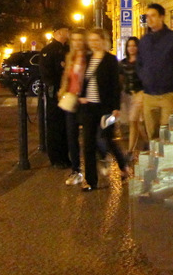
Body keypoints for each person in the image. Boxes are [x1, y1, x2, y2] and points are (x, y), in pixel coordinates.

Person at [77, 28, 131, 190]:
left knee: (108, 138)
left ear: (103, 41)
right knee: (88, 143)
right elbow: (81, 80)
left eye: (97, 40)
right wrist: (81, 96)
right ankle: (90, 181)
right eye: (91, 40)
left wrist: (115, 107)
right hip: (89, 107)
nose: (94, 43)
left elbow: (115, 85)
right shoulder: (87, 59)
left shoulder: (110, 60)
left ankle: (123, 165)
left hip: (105, 107)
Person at [137, 3, 173, 141]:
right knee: (152, 134)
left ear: (161, 17)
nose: (149, 19)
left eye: (153, 16)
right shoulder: (144, 40)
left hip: (168, 93)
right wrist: (142, 84)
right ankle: (154, 155)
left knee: (167, 134)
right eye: (147, 16)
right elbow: (139, 64)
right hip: (149, 94)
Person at [39, 25, 72, 168]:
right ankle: (56, 158)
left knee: (66, 125)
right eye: (66, 30)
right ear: (58, 32)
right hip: (56, 93)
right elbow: (47, 73)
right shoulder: (49, 50)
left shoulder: (67, 48)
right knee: (55, 125)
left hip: (67, 92)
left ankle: (65, 156)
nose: (68, 33)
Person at [60, 30, 88, 185]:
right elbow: (67, 77)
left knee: (92, 137)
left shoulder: (89, 57)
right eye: (74, 40)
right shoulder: (70, 57)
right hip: (71, 99)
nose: (77, 43)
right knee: (71, 136)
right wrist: (63, 91)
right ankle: (76, 170)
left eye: (80, 40)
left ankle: (100, 160)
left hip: (85, 101)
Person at [119, 36, 146, 159]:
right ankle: (145, 143)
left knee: (134, 119)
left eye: (134, 45)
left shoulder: (142, 62)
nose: (131, 48)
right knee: (136, 123)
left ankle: (131, 150)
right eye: (129, 46)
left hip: (140, 93)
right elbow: (120, 79)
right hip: (128, 95)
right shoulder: (123, 63)